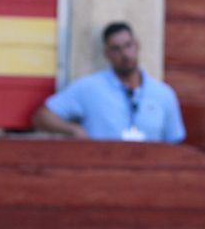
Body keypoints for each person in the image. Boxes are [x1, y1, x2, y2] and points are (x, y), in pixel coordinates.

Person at [32, 22, 186, 143]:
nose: (125, 54)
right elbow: (42, 117)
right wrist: (73, 130)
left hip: (149, 175)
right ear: (107, 53)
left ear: (137, 45)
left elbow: (174, 140)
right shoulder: (90, 87)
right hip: (102, 172)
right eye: (116, 49)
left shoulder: (163, 93)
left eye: (128, 45)